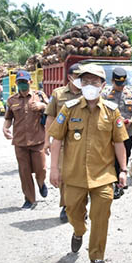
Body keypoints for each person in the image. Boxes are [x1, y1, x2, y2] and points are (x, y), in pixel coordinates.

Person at [48, 64, 128, 263]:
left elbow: (119, 143)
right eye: (85, 82)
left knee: (101, 216)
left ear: (103, 85)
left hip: (103, 176)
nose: (89, 86)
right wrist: (53, 169)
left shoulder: (111, 111)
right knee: (73, 213)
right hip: (73, 175)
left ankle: (97, 256)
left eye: (94, 82)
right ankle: (78, 231)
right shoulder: (69, 108)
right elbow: (56, 139)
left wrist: (123, 170)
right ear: (79, 84)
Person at [3, 70, 49, 209]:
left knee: (41, 169)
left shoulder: (39, 96)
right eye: (20, 82)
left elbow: (51, 111)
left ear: (30, 82)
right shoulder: (12, 100)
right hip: (20, 142)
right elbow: (8, 117)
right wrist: (5, 128)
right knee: (24, 171)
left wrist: (43, 106)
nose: (22, 85)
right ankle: (29, 199)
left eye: (25, 82)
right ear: (16, 83)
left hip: (38, 140)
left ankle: (41, 183)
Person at [44, 63, 82, 223]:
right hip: (63, 142)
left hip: (82, 142)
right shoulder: (58, 94)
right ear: (70, 77)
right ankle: (66, 206)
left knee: (81, 174)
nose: (80, 80)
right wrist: (47, 140)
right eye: (78, 77)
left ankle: (80, 207)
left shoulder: (87, 94)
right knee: (63, 174)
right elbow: (51, 117)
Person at [101, 66, 132, 199]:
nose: (120, 86)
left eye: (122, 83)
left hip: (127, 132)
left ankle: (121, 177)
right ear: (113, 81)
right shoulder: (105, 95)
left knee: (126, 156)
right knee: (113, 159)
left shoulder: (131, 94)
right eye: (118, 83)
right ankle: (117, 184)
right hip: (111, 134)